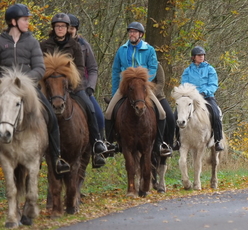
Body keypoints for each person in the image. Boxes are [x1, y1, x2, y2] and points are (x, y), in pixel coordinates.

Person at [0, 4, 70, 176]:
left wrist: (24, 82)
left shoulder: (31, 42)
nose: (27, 23)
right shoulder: (0, 41)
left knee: (51, 117)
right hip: (4, 89)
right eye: (25, 19)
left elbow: (39, 68)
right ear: (13, 21)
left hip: (28, 88)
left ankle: (56, 157)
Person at [41, 13, 108, 168]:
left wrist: (71, 81)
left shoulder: (76, 45)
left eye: (63, 26)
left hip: (73, 86)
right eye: (57, 26)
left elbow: (79, 67)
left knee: (91, 109)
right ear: (54, 28)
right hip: (50, 87)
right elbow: (39, 66)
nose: (60, 29)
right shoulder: (44, 45)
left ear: (67, 29)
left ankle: (97, 142)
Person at [104, 21, 172, 157]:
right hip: (125, 87)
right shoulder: (122, 50)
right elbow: (116, 71)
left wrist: (143, 82)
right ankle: (109, 144)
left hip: (143, 87)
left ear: (140, 34)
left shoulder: (149, 50)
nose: (132, 34)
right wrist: (114, 92)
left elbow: (153, 68)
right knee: (108, 113)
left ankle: (159, 144)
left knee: (163, 113)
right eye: (130, 31)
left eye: (134, 32)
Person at [67, 14, 108, 152]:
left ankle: (98, 144)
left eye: (72, 28)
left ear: (76, 29)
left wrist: (90, 86)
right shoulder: (55, 45)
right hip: (59, 87)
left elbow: (92, 68)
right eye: (67, 27)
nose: (69, 31)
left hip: (81, 87)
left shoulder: (84, 45)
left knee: (98, 114)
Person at [180, 46, 224, 151]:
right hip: (191, 98)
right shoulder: (187, 71)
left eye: (203, 55)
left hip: (207, 97)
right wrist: (189, 93)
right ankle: (177, 141)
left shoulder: (210, 69)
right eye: (199, 55)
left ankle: (217, 140)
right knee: (177, 114)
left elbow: (213, 84)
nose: (201, 57)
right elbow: (184, 84)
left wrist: (205, 92)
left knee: (215, 113)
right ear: (193, 57)